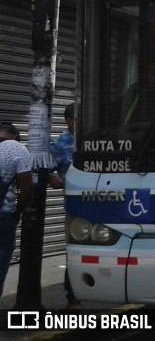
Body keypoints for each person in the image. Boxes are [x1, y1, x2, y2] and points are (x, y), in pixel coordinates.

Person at [49, 103, 81, 309]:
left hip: (104, 201)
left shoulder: (96, 139)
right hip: (74, 208)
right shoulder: (60, 145)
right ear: (68, 121)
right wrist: (54, 178)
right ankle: (73, 298)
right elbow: (46, 171)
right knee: (75, 251)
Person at [0, 122, 33, 297]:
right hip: (3, 215)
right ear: (14, 136)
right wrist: (17, 213)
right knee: (2, 255)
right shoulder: (16, 148)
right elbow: (26, 190)